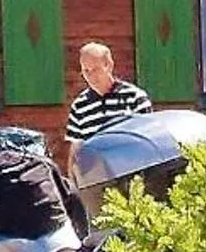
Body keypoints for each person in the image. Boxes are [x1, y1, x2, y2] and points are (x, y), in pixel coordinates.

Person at [63, 40, 152, 178]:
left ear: (108, 66)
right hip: (95, 178)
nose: (91, 76)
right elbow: (76, 149)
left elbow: (149, 137)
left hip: (132, 173)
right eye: (86, 71)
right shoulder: (79, 106)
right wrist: (72, 181)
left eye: (96, 69)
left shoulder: (134, 97)